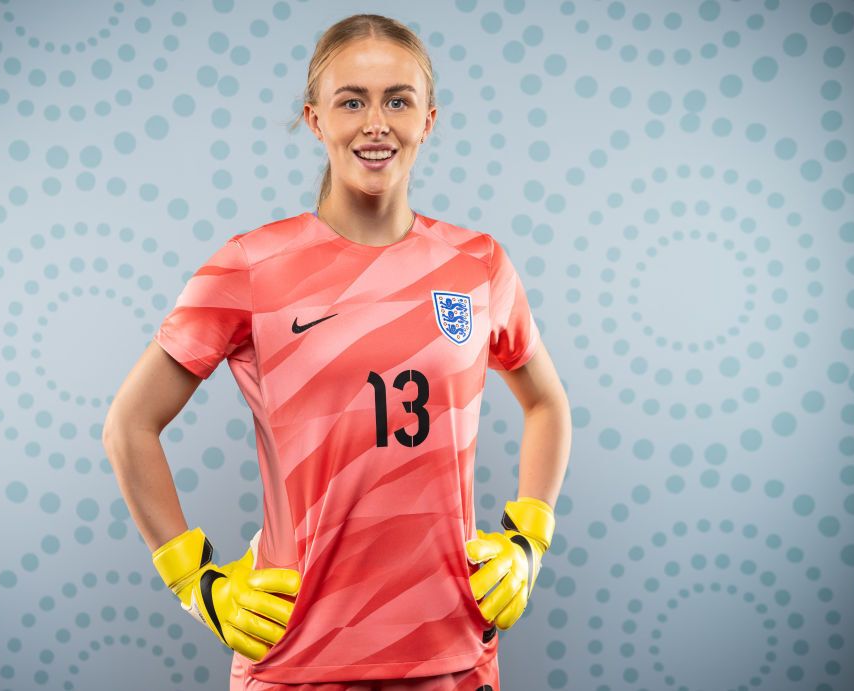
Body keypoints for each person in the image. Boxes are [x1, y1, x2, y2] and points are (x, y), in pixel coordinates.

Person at [103, 13, 571, 691]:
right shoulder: (251, 265)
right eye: (352, 100)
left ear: (429, 119)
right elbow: (129, 424)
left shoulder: (479, 263)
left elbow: (548, 402)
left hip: (456, 658)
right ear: (316, 120)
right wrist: (195, 580)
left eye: (398, 100)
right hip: (296, 662)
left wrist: (528, 539)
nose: (375, 123)